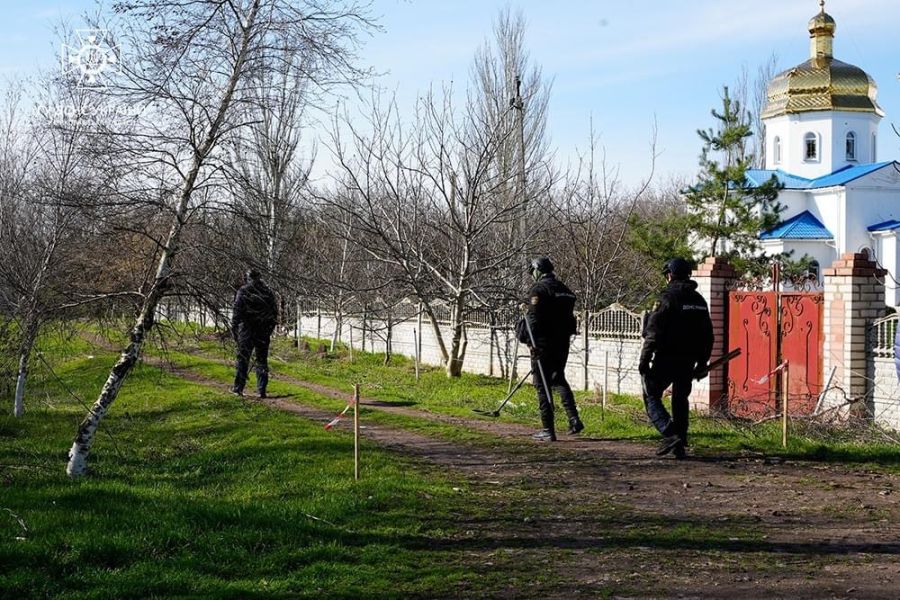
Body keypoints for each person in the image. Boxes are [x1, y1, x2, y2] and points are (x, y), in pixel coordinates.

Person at [639, 258, 714, 459]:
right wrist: (702, 362)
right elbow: (708, 335)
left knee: (651, 394)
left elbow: (653, 332)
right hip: (688, 360)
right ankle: (679, 445)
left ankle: (670, 433)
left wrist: (644, 360)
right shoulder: (699, 301)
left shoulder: (666, 298)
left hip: (666, 358)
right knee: (680, 399)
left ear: (670, 275)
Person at [518, 257, 584, 441]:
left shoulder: (539, 289)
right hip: (562, 343)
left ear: (538, 270)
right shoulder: (564, 290)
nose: (532, 275)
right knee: (558, 378)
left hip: (543, 344)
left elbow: (533, 320)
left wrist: (531, 343)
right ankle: (574, 419)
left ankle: (548, 429)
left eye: (532, 272)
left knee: (541, 385)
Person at [231, 269, 279, 398]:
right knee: (261, 360)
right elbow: (274, 314)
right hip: (263, 331)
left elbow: (237, 311)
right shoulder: (267, 292)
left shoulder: (243, 291)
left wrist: (234, 328)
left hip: (247, 330)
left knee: (243, 359)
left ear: (248, 278)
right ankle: (261, 390)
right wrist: (269, 330)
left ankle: (238, 388)